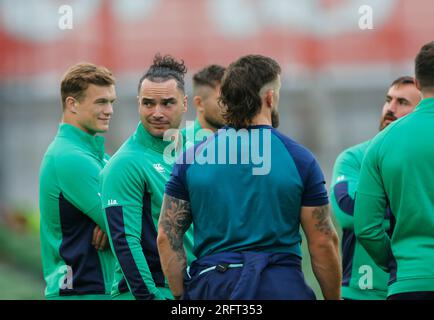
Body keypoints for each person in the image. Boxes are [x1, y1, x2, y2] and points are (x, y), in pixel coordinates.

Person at [157, 54, 341, 300]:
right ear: (269, 97)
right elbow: (322, 240)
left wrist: (183, 297)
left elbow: (167, 236)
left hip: (213, 286)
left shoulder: (190, 159)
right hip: (280, 286)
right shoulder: (299, 159)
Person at [100, 54, 195, 300]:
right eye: (148, 103)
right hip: (148, 293)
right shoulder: (126, 163)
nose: (157, 112)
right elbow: (124, 242)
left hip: (190, 291)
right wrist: (150, 297)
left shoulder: (194, 150)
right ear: (138, 103)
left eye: (167, 103)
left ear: (185, 104)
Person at [354, 41, 434, 300]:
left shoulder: (381, 142)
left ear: (417, 83)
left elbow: (366, 228)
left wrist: (399, 261)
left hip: (410, 281)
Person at [330, 76, 421, 300]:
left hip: (413, 288)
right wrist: (411, 211)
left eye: (402, 102)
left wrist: (373, 208)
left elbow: (364, 213)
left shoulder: (425, 161)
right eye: (388, 100)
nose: (390, 108)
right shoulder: (354, 158)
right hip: (361, 292)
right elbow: (349, 212)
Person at [39, 63, 117, 299]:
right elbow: (127, 222)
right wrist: (112, 220)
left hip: (92, 287)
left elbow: (124, 214)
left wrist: (112, 221)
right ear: (72, 104)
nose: (110, 110)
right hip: (82, 290)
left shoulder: (95, 155)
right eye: (101, 102)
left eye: (112, 102)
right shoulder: (70, 156)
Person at [181, 64, 226, 149]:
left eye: (232, 98)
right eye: (222, 100)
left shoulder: (241, 141)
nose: (230, 105)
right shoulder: (178, 146)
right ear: (199, 103)